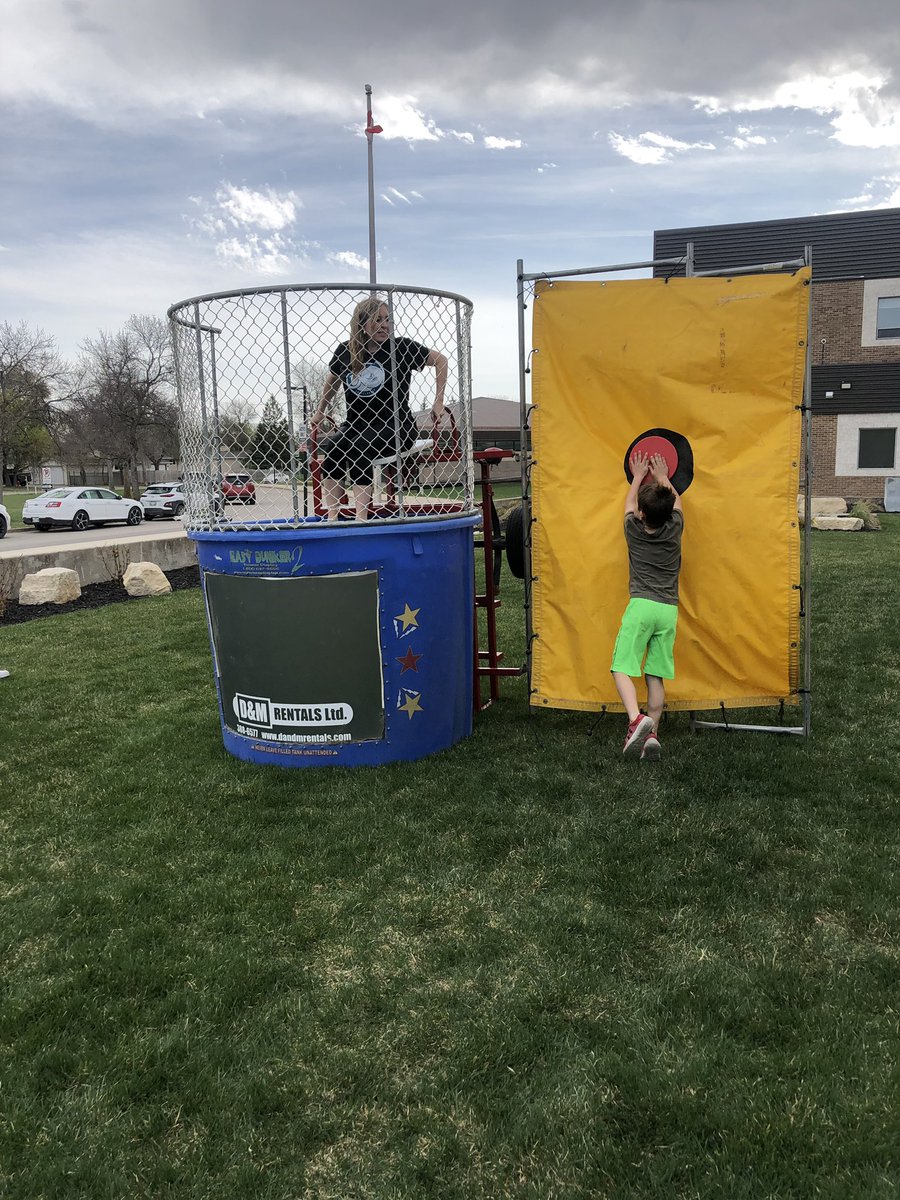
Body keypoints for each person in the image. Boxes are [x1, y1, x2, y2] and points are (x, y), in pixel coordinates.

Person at [310, 297, 448, 520]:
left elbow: (441, 360)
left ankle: (361, 517)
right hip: (357, 423)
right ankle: (333, 516)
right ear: (362, 324)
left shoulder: (401, 347)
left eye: (387, 320)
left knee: (359, 447)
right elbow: (332, 381)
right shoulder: (346, 351)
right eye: (378, 320)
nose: (385, 325)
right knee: (334, 446)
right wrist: (320, 410)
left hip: (396, 425)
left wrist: (438, 400)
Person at [610, 451, 684, 760]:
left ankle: (635, 720)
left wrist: (639, 474)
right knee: (655, 675)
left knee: (621, 667)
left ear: (641, 513)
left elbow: (629, 505)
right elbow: (678, 503)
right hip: (668, 611)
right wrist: (665, 476)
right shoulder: (675, 528)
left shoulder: (633, 532)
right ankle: (651, 735)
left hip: (641, 606)